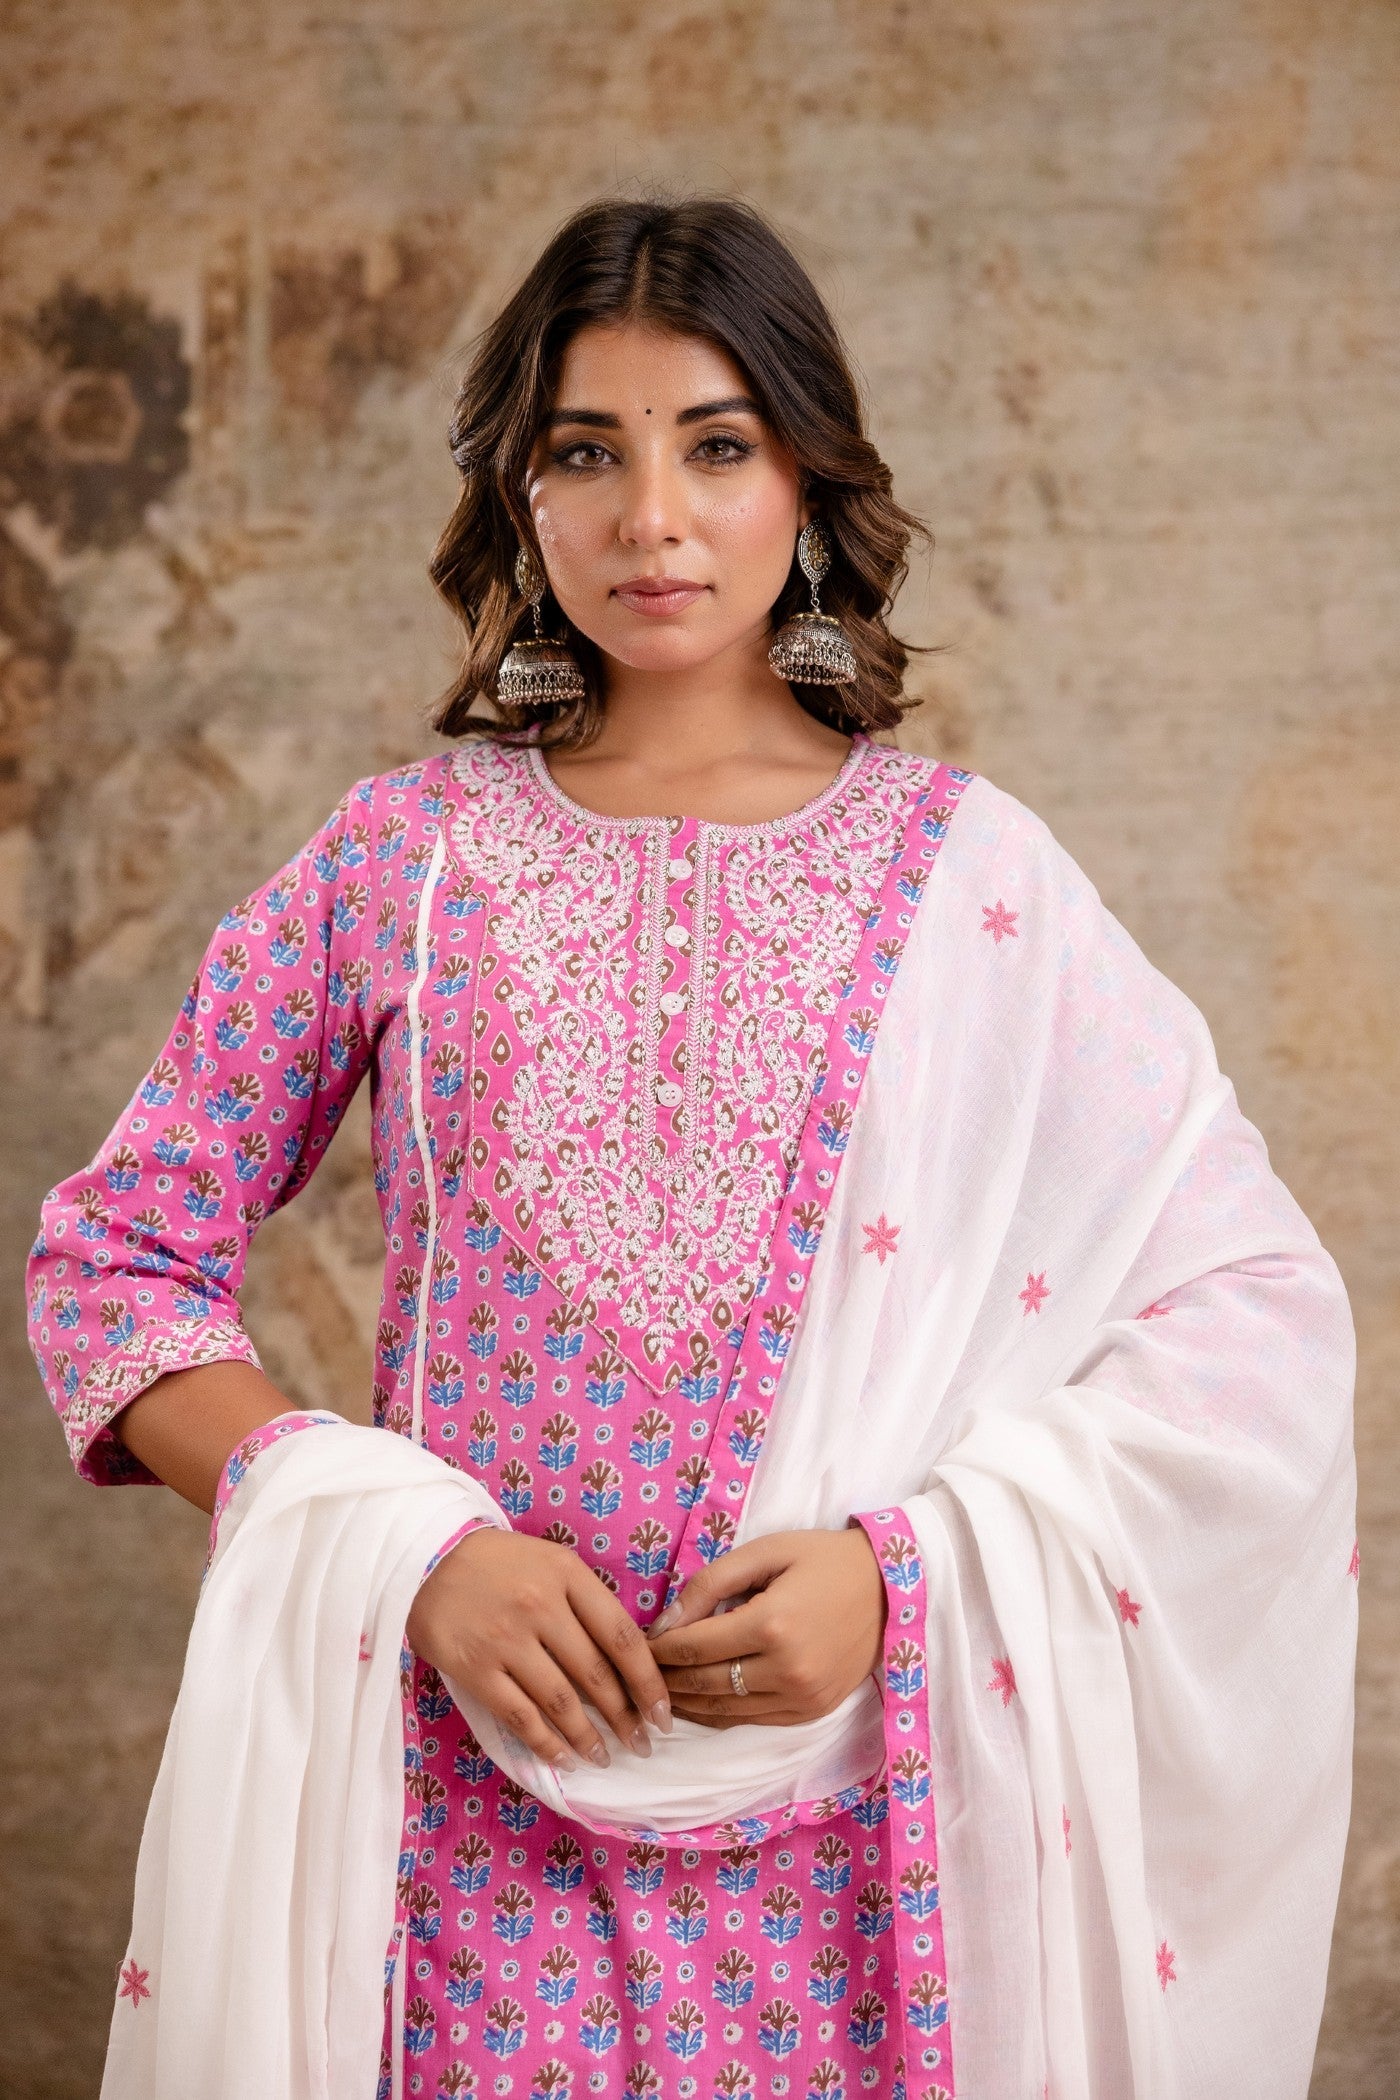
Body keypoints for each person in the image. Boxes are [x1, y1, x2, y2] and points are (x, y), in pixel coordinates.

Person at [25, 195, 1357, 2100]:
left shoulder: (980, 882)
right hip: (461, 1825)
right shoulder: (399, 866)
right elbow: (113, 1267)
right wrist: (408, 1551)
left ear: (804, 479)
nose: (652, 516)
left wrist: (911, 1578)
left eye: (715, 445)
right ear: (522, 498)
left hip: (870, 1860)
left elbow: (1254, 1317)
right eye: (589, 451)